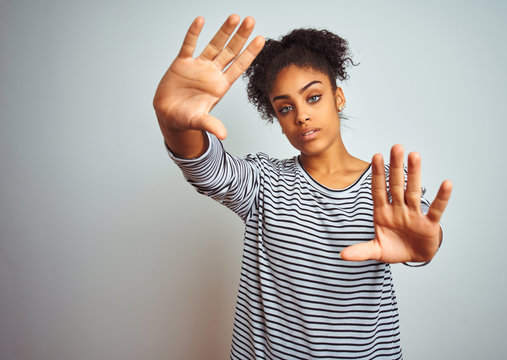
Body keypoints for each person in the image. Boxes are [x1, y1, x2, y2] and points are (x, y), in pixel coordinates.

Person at [153, 14, 452, 360]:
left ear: (338, 97)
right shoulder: (264, 182)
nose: (301, 116)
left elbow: (423, 228)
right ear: (276, 119)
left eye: (313, 98)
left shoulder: (384, 187)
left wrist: (430, 244)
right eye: (285, 107)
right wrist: (173, 123)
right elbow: (206, 167)